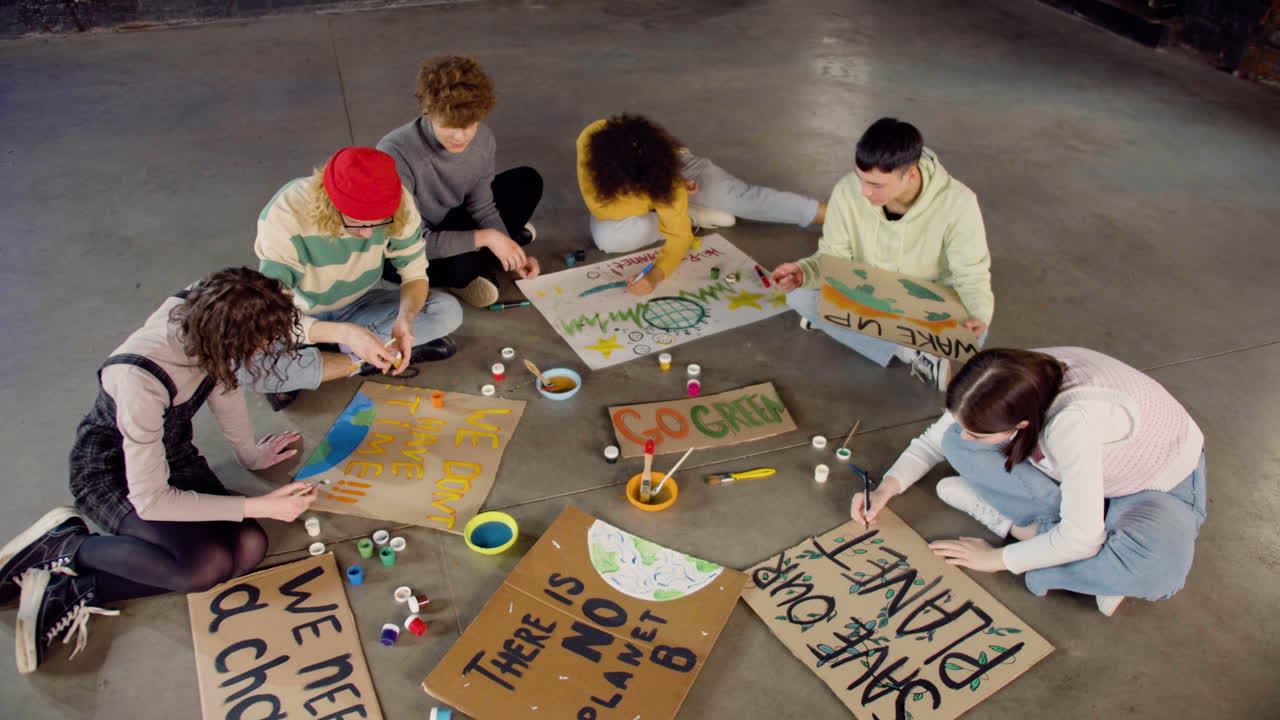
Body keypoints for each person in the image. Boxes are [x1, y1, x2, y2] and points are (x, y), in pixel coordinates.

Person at [1, 268, 321, 674]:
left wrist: (250, 456)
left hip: (173, 455)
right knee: (202, 568)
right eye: (258, 345)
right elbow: (151, 500)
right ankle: (65, 547)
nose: (265, 351)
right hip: (112, 472)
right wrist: (257, 504)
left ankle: (75, 588)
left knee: (248, 548)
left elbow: (225, 383)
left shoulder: (211, 312)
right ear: (226, 339)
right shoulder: (139, 378)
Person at [852, 347, 1207, 617]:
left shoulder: (1073, 423)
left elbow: (1082, 539)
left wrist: (997, 558)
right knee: (953, 442)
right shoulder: (1006, 379)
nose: (968, 436)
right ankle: (1078, 557)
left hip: (1150, 487)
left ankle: (1022, 531)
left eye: (978, 432)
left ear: (1021, 425)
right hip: (1073, 472)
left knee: (1157, 571)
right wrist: (886, 488)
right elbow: (936, 440)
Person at [771, 118, 992, 390]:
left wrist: (979, 315)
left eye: (877, 185)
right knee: (799, 294)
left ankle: (848, 328)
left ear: (911, 174)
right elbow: (833, 257)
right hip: (867, 291)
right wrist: (804, 272)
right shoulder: (847, 190)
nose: (865, 192)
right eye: (861, 178)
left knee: (976, 335)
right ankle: (910, 352)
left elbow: (972, 274)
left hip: (926, 299)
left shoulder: (959, 203)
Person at [248, 146, 463, 410]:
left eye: (379, 223)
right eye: (357, 223)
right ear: (329, 204)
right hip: (298, 314)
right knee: (252, 366)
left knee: (446, 311)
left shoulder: (398, 202)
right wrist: (346, 334)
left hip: (359, 303)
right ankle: (362, 357)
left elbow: (415, 272)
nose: (367, 234)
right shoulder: (285, 214)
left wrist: (405, 319)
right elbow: (272, 314)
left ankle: (335, 361)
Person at [577, 114, 827, 295]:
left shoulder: (666, 178)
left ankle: (830, 214)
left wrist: (657, 273)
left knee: (740, 199)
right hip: (650, 186)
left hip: (673, 169)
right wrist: (662, 201)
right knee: (609, 239)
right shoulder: (591, 143)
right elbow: (600, 208)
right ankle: (693, 214)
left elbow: (678, 239)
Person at [378, 55, 542, 308]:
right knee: (427, 265)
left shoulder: (483, 139)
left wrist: (510, 255)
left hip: (450, 221)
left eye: (470, 125)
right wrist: (490, 239)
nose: (460, 136)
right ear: (427, 111)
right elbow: (406, 243)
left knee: (528, 181)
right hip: (407, 246)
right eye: (450, 125)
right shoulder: (395, 153)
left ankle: (486, 257)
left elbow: (482, 207)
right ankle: (470, 269)